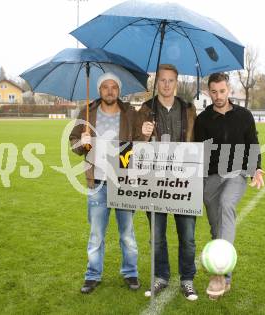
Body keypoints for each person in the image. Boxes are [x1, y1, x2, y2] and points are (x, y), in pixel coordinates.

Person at [194, 72, 265, 300]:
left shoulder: (244, 115)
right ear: (208, 92)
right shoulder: (203, 119)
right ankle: (224, 272)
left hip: (236, 173)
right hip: (212, 178)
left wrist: (257, 168)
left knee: (226, 205)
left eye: (222, 91)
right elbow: (200, 153)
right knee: (217, 227)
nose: (218, 96)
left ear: (229, 90)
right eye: (213, 92)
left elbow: (252, 143)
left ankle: (219, 275)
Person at [69, 72, 140, 294]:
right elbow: (73, 143)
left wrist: (145, 135)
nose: (110, 91)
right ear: (99, 90)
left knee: (127, 233)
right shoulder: (87, 112)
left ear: (119, 90)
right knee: (96, 234)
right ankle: (92, 275)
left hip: (123, 182)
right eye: (105, 87)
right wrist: (83, 141)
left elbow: (141, 142)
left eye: (114, 87)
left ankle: (130, 272)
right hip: (96, 182)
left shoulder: (130, 113)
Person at [136, 64, 198, 301]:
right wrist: (143, 133)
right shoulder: (145, 109)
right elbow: (132, 145)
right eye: (162, 80)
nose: (166, 85)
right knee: (157, 236)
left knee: (188, 236)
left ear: (177, 83)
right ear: (156, 82)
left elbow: (199, 142)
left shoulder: (189, 109)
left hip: (183, 181)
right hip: (155, 182)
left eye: (171, 80)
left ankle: (187, 279)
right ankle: (161, 276)